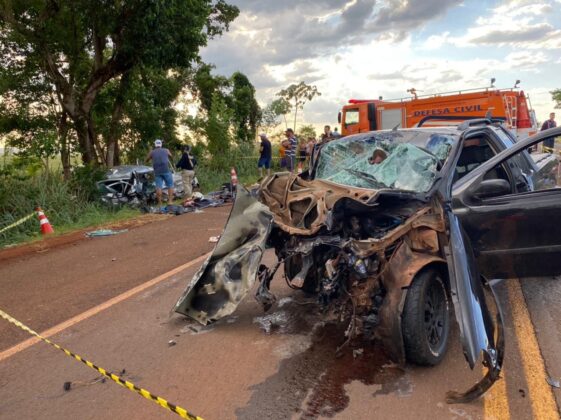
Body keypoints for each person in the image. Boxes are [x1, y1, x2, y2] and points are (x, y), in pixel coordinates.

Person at [146, 139, 174, 206]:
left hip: (157, 172)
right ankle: (170, 201)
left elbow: (146, 160)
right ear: (161, 144)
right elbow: (171, 156)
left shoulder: (152, 152)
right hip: (166, 170)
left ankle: (160, 203)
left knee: (158, 187)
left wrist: (151, 156)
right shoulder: (166, 150)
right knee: (170, 185)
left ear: (155, 145)